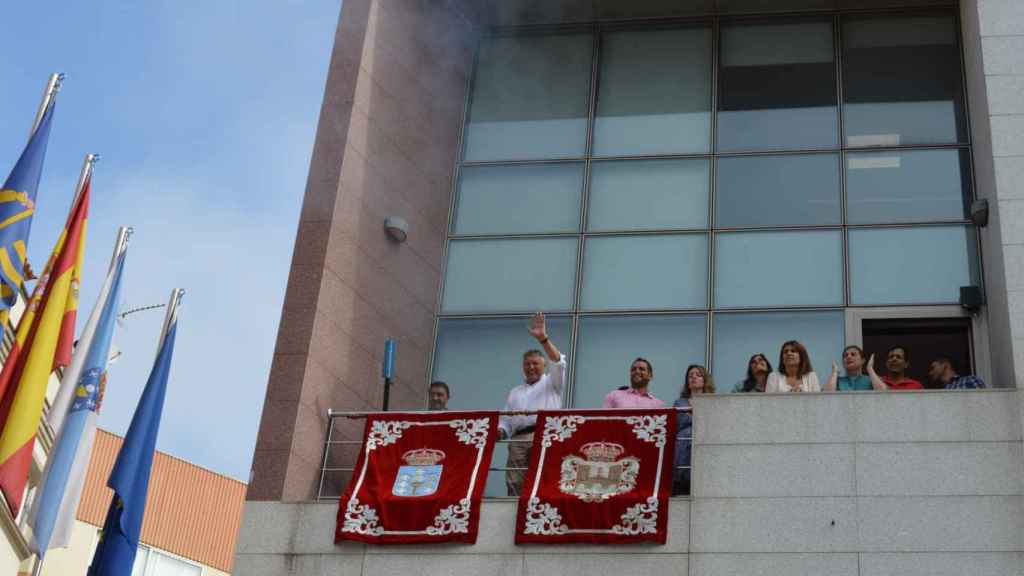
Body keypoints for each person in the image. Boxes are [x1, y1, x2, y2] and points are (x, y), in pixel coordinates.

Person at [498, 312, 565, 496]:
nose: (531, 367)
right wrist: (499, 431)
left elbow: (558, 362)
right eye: (527, 364)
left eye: (535, 363)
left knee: (542, 479)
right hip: (518, 439)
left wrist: (543, 339)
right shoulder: (515, 392)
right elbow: (505, 420)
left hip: (543, 434)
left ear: (544, 366)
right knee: (514, 483)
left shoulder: (552, 383)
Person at [673, 365, 714, 495]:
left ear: (704, 380)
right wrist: (699, 415)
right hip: (683, 448)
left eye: (698, 374)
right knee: (687, 433)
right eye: (690, 375)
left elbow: (711, 423)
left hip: (704, 445)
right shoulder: (680, 403)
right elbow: (680, 422)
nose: (693, 377)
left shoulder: (712, 402)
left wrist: (692, 414)